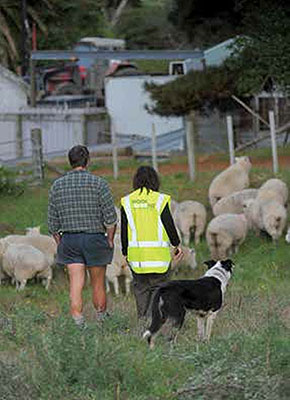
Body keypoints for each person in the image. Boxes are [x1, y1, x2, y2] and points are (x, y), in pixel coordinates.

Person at [48, 145, 117, 328]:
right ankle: (101, 317)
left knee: (76, 284)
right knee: (97, 282)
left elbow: (53, 223)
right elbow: (110, 218)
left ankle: (78, 321)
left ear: (70, 162)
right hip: (94, 238)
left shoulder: (57, 185)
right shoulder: (99, 183)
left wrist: (60, 242)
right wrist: (109, 239)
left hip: (69, 239)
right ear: (88, 161)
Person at [120, 165, 183, 321]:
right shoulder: (160, 200)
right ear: (155, 181)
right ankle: (154, 320)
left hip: (137, 258)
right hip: (158, 258)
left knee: (141, 288)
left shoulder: (127, 201)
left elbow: (124, 229)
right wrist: (176, 244)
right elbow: (169, 224)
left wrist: (125, 251)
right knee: (159, 288)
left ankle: (142, 320)